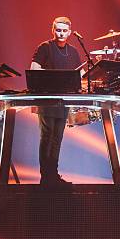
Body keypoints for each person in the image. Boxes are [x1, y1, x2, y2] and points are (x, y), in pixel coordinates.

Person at [30, 16, 82, 184]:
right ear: (53, 30)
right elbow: (34, 70)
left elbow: (79, 75)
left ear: (70, 32)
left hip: (63, 100)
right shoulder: (45, 47)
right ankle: (46, 176)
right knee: (47, 135)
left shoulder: (73, 51)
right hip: (47, 99)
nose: (61, 33)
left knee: (57, 137)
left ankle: (53, 174)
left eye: (64, 31)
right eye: (58, 30)